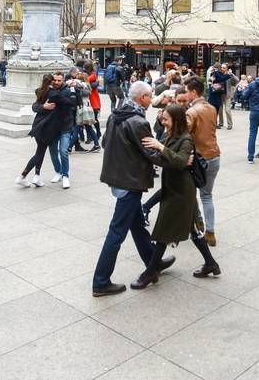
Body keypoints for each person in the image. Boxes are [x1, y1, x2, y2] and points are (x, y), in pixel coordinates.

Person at [92, 81, 175, 297]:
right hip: (130, 181)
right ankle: (101, 281)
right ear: (142, 98)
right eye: (150, 97)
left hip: (118, 177)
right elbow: (150, 152)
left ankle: (152, 261)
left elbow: (104, 143)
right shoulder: (138, 121)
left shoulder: (116, 114)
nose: (152, 100)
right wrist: (175, 158)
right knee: (117, 232)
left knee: (137, 224)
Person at [132, 103, 221, 289]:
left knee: (163, 232)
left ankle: (149, 273)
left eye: (166, 119)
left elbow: (180, 162)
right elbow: (172, 159)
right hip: (173, 188)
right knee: (194, 231)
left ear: (176, 120)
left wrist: (161, 147)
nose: (163, 121)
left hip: (181, 192)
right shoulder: (168, 134)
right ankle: (211, 264)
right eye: (162, 118)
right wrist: (161, 145)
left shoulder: (186, 139)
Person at [183, 77, 221, 245]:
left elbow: (184, 134)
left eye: (186, 91)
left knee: (191, 194)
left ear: (193, 92)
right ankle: (210, 231)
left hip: (199, 159)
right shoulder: (211, 108)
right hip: (214, 155)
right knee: (207, 195)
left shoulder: (192, 112)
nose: (185, 94)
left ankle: (198, 224)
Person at [16, 74, 59, 187]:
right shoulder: (54, 93)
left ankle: (36, 176)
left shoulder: (40, 91)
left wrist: (42, 107)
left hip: (38, 126)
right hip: (46, 127)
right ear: (52, 82)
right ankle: (22, 176)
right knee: (39, 154)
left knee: (40, 152)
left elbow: (35, 106)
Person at [45, 72, 79, 189]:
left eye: (59, 80)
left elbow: (73, 105)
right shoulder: (48, 91)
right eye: (55, 80)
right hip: (52, 127)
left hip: (65, 126)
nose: (57, 82)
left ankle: (65, 175)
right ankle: (58, 172)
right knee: (53, 152)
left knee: (63, 151)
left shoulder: (68, 91)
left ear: (63, 80)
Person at [84, 62, 103, 143]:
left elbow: (87, 82)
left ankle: (95, 135)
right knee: (92, 119)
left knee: (93, 119)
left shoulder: (92, 75)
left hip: (93, 100)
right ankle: (97, 133)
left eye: (85, 68)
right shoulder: (92, 75)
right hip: (93, 99)